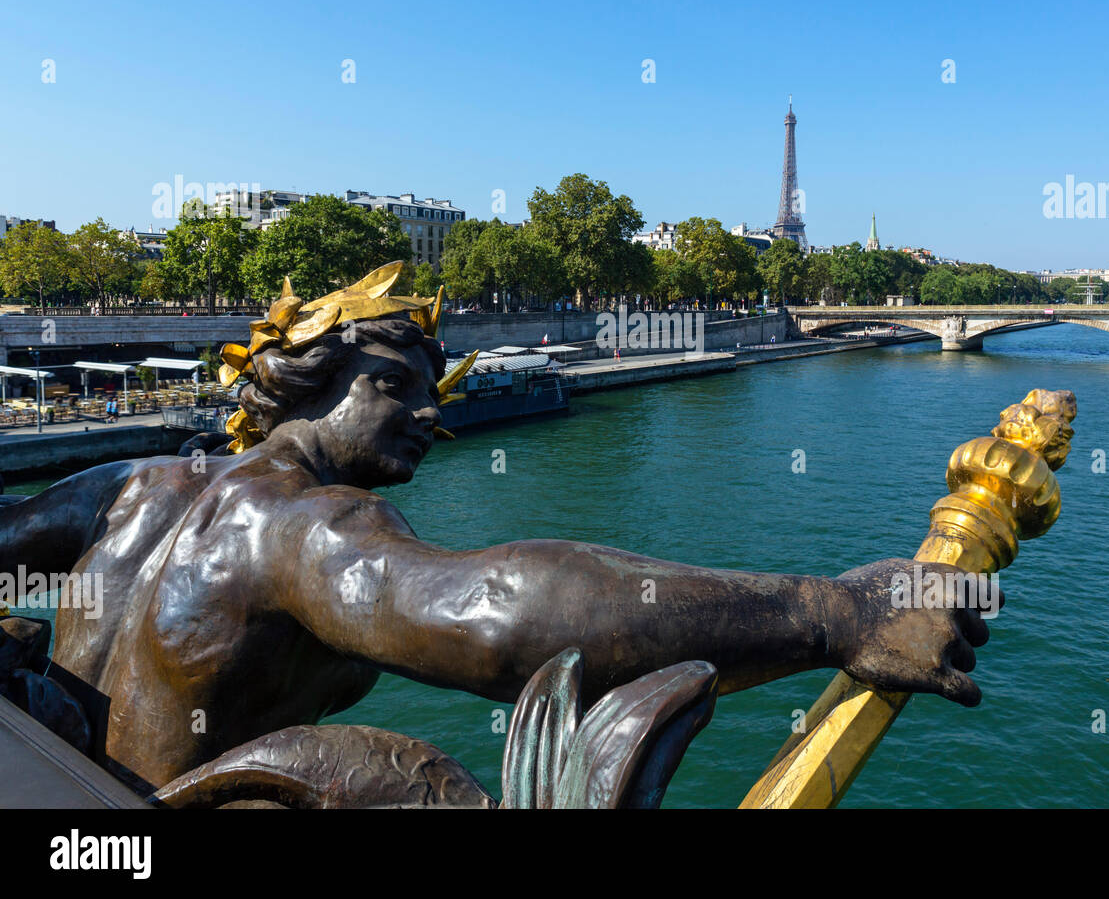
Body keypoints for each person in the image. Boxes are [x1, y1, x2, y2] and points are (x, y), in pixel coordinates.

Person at [0, 263, 990, 795]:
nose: (433, 418)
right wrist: (834, 610)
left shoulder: (130, 484)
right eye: (414, 393)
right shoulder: (303, 522)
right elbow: (491, 614)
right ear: (357, 380)